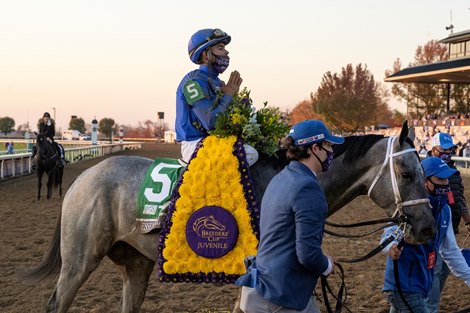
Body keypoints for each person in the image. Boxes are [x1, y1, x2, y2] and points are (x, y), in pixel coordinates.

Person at [236, 120, 344, 313]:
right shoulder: (307, 186)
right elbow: (307, 254)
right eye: (328, 146)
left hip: (263, 285)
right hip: (282, 296)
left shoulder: (282, 177)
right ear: (314, 148)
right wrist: (327, 265)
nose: (331, 152)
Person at [382, 157, 470, 313]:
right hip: (403, 284)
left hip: (420, 285)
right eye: (440, 179)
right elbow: (389, 233)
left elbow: (450, 252)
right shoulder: (409, 206)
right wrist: (391, 246)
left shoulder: (445, 210)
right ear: (424, 181)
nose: (445, 183)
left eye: (446, 179)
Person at [175, 28, 258, 165]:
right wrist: (228, 95)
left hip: (213, 140)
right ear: (206, 55)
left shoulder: (217, 82)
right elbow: (211, 122)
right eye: (220, 48)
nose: (226, 52)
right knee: (249, 153)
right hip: (194, 144)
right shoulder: (193, 83)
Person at [425, 133, 470, 312]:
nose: (448, 153)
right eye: (444, 150)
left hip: (450, 227)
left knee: (444, 269)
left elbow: (459, 198)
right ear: (433, 149)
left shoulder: (454, 173)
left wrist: (467, 220)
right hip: (433, 232)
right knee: (434, 269)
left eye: (450, 149)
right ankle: (430, 305)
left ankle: (431, 302)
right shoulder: (424, 172)